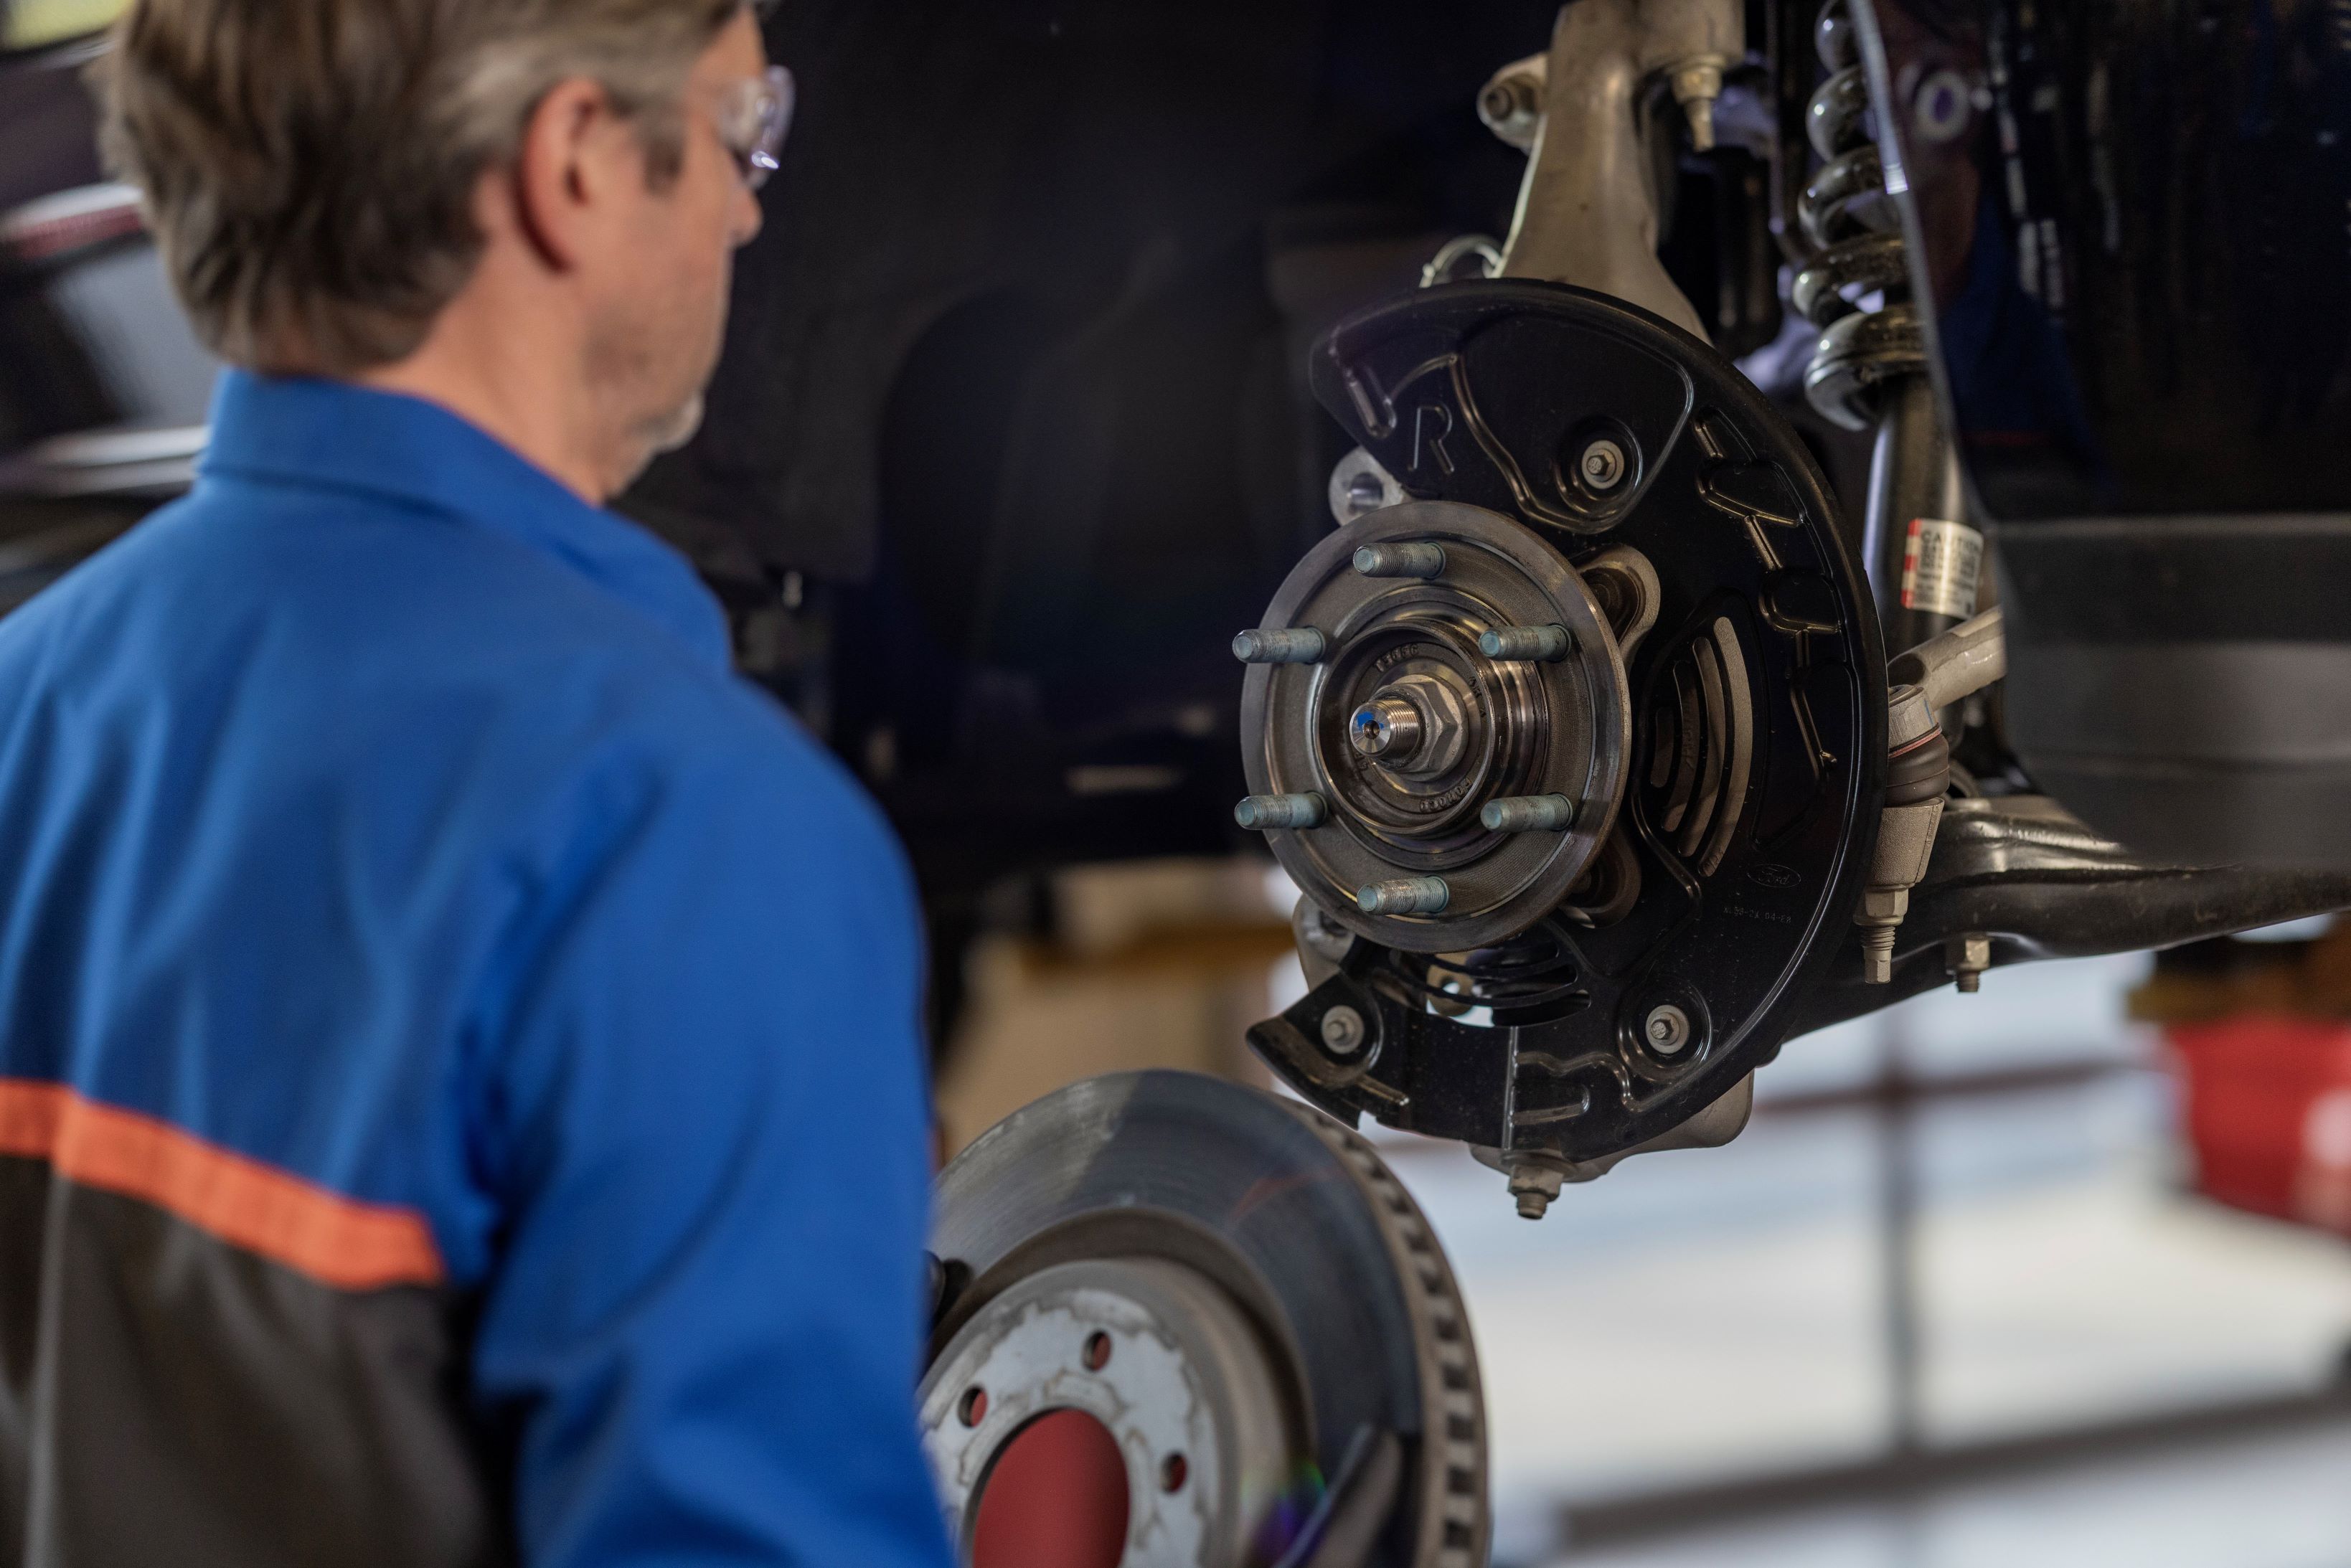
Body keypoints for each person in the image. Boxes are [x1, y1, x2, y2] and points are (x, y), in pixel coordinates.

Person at [0, 3, 954, 1564]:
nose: (753, 203)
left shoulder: (22, 703)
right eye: (738, 131)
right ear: (575, 161)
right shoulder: (684, 830)